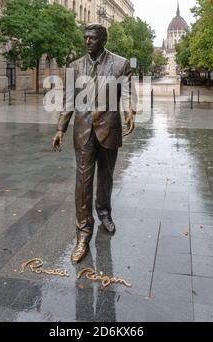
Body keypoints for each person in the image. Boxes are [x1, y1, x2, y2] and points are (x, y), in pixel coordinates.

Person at [52, 23, 136, 264]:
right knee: (83, 182)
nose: (87, 41)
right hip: (83, 131)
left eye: (92, 38)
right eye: (85, 37)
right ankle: (83, 235)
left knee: (106, 177)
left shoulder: (120, 64)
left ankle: (104, 213)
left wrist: (130, 111)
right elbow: (68, 101)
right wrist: (60, 128)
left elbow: (128, 91)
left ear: (103, 40)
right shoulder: (75, 66)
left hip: (109, 127)